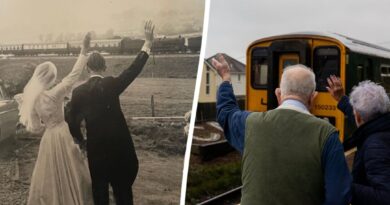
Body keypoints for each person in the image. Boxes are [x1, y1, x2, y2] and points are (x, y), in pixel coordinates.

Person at [212, 54, 351, 205]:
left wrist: (226, 78)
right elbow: (338, 197)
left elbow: (226, 113)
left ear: (278, 93)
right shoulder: (327, 135)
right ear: (313, 97)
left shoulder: (249, 124)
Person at [67, 21, 154, 205]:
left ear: (88, 68)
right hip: (120, 149)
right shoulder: (112, 84)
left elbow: (71, 120)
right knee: (123, 193)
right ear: (104, 67)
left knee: (99, 192)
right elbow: (133, 70)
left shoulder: (78, 92)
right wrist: (147, 43)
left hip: (96, 150)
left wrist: (80, 141)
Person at [17, 33, 93, 204]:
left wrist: (47, 127)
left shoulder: (33, 100)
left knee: (49, 175)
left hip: (48, 137)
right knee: (73, 169)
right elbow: (73, 76)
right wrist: (84, 51)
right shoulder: (55, 93)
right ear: (51, 78)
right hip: (61, 132)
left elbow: (35, 128)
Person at [327, 76, 390, 205]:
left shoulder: (375, 146)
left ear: (359, 117)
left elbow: (385, 197)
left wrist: (344, 185)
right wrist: (342, 99)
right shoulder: (381, 126)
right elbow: (365, 120)